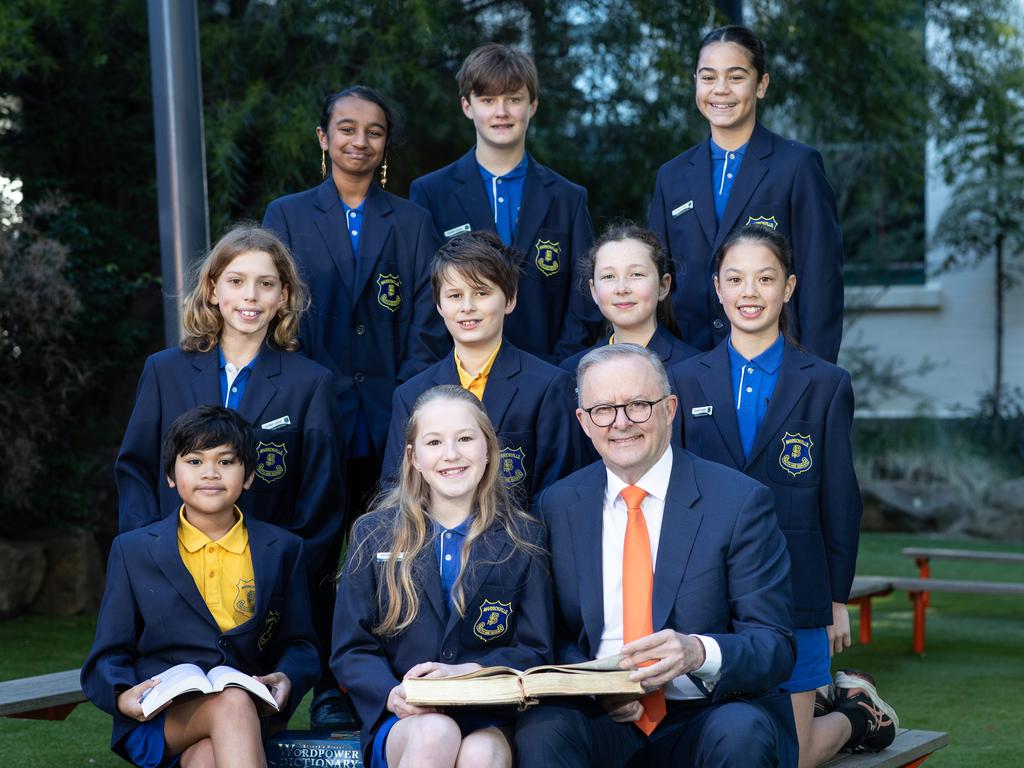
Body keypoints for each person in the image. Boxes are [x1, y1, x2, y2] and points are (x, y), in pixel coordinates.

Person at [668, 226, 897, 765]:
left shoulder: (824, 383)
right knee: (725, 742)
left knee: (789, 758)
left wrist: (836, 599)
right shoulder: (682, 380)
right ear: (718, 290)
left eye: (765, 278)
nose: (750, 292)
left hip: (796, 591)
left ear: (789, 288)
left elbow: (840, 498)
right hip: (710, 598)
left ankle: (856, 713)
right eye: (736, 279)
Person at [515, 343, 798, 768]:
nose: (621, 422)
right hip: (603, 715)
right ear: (584, 423)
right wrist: (595, 683)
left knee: (741, 732)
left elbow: (773, 644)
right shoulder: (556, 506)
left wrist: (698, 652)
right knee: (542, 730)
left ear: (669, 409)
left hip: (707, 713)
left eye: (638, 405)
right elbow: (547, 633)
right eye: (603, 410)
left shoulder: (738, 503)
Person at [263, 85, 448, 725]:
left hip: (392, 415)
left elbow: (428, 320)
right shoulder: (286, 215)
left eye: (373, 131)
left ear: (385, 144)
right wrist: (311, 388)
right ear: (323, 137)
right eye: (346, 129)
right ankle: (310, 689)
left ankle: (368, 690)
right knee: (314, 557)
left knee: (388, 557)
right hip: (315, 416)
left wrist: (406, 396)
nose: (359, 141)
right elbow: (278, 309)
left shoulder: (412, 219)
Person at [114, 224, 345, 729]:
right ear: (213, 290)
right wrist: (144, 559)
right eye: (237, 281)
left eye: (265, 284)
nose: (250, 296)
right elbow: (135, 468)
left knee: (238, 726)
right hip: (172, 591)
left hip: (257, 607)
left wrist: (284, 590)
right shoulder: (165, 370)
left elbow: (322, 499)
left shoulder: (310, 384)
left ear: (284, 296)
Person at [82, 406, 319, 768]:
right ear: (170, 476)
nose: (210, 473)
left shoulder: (283, 549)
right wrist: (121, 697)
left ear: (250, 475)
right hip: (161, 720)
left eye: (226, 462)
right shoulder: (133, 550)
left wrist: (288, 676)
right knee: (232, 702)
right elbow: (106, 656)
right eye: (194, 461)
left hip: (248, 716)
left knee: (208, 756)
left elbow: (300, 644)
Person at [332, 385, 552, 768]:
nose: (451, 455)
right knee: (437, 732)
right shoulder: (374, 532)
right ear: (413, 458)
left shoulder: (523, 537)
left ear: (488, 449)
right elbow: (351, 647)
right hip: (406, 718)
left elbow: (536, 648)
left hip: (488, 714)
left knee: (482, 753)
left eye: (465, 439)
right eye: (434, 442)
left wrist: (472, 671)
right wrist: (392, 693)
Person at [648, 25, 844, 363]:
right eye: (708, 77)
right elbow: (657, 280)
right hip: (689, 368)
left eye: (736, 77)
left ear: (761, 84)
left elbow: (821, 282)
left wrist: (814, 378)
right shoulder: (672, 176)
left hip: (779, 363)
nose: (720, 90)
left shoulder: (797, 167)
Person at [409, 42, 600, 362]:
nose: (501, 112)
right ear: (467, 106)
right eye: (488, 100)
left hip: (548, 376)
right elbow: (425, 301)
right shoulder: (431, 193)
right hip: (459, 382)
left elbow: (584, 301)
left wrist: (560, 371)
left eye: (514, 99)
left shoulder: (568, 198)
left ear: (533, 105)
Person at [382, 230, 580, 505]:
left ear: (510, 300)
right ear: (439, 305)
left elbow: (559, 492)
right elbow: (397, 492)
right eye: (454, 295)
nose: (467, 307)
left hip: (521, 542)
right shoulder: (409, 395)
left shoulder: (549, 387)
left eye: (481, 293)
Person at [560, 223, 699, 376]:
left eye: (636, 274)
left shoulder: (694, 368)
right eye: (609, 276)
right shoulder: (572, 371)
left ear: (663, 286)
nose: (621, 289)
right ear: (594, 290)